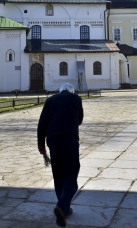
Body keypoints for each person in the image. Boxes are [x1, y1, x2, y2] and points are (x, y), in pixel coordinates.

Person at [37, 83, 83, 227]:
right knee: (71, 175)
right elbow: (80, 119)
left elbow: (42, 123)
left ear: (60, 90)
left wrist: (41, 145)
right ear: (71, 91)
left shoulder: (50, 100)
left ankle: (64, 209)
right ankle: (62, 206)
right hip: (70, 139)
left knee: (58, 175)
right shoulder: (76, 98)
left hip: (53, 141)